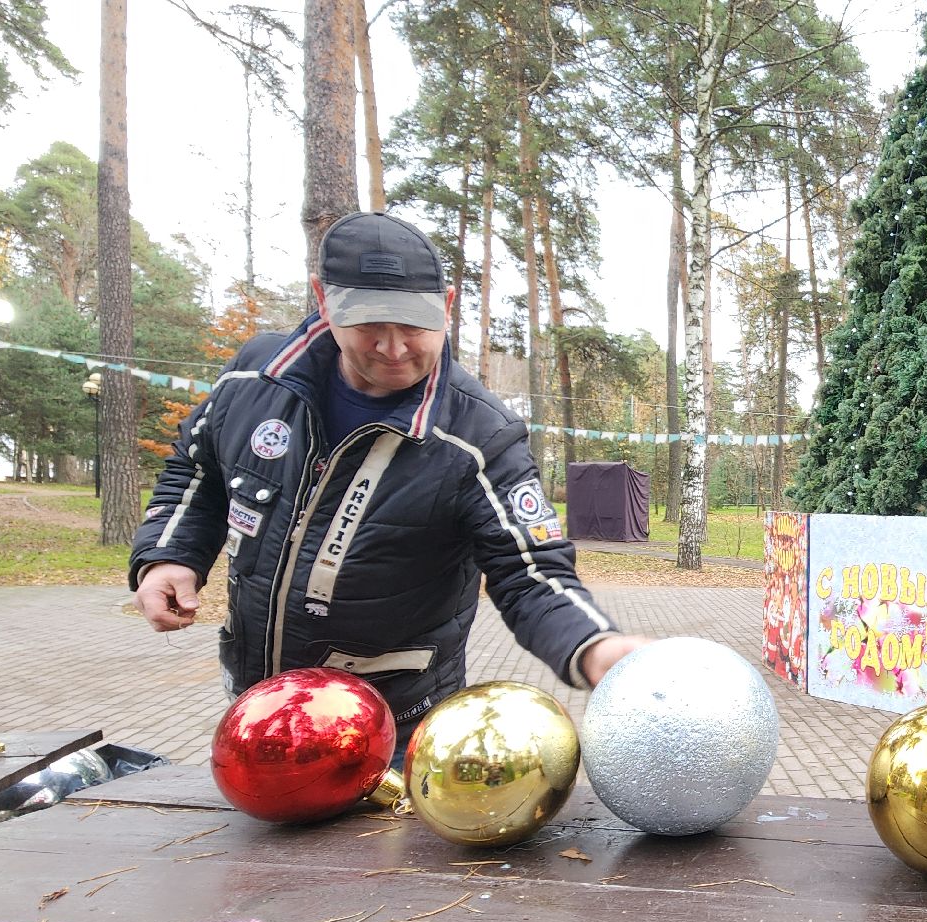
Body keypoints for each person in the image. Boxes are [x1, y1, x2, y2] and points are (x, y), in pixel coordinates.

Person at [131, 210, 646, 759]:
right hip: (256, 711)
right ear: (324, 301)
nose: (395, 347)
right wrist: (170, 554)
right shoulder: (252, 378)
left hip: (394, 731)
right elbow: (199, 470)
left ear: (448, 307)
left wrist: (596, 647)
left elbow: (530, 573)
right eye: (370, 323)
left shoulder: (480, 437)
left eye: (416, 324)